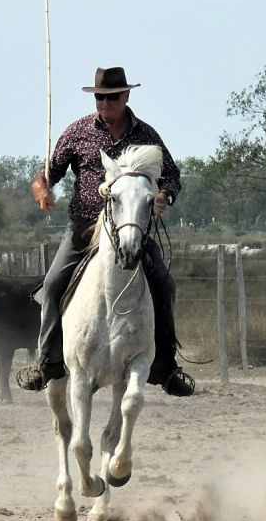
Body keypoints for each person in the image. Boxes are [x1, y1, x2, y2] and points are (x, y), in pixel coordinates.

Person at [16, 66, 195, 396]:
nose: (105, 102)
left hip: (133, 232)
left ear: (126, 96)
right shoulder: (78, 132)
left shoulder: (146, 135)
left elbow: (172, 175)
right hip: (84, 231)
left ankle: (167, 367)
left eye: (112, 97)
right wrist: (41, 191)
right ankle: (46, 362)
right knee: (53, 285)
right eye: (100, 97)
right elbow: (46, 175)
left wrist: (164, 196)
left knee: (165, 285)